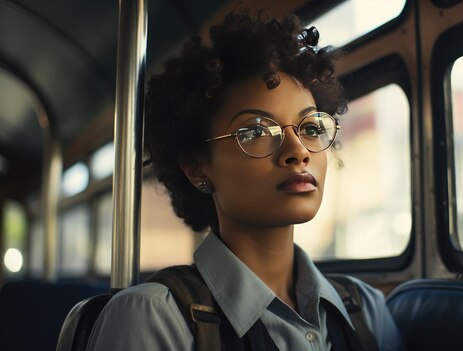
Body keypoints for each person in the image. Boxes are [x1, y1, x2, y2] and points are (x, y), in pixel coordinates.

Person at [87, 8, 405, 351]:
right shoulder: (153, 318)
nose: (297, 151)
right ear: (196, 166)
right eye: (256, 131)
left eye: (311, 128)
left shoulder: (365, 311)